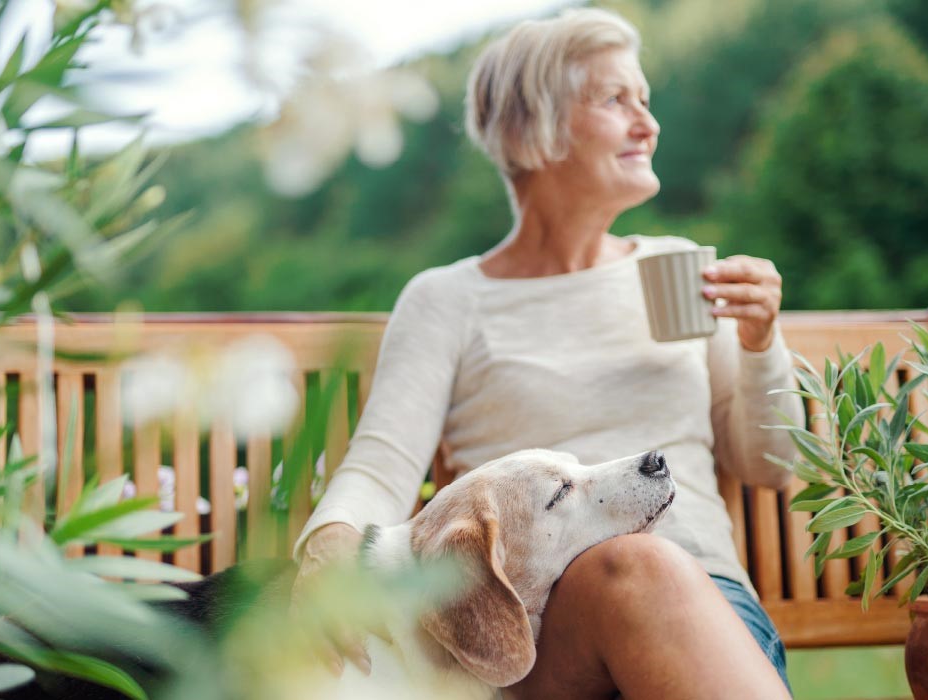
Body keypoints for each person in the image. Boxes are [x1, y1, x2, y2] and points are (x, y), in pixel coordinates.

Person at [291, 8, 803, 699]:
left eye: (645, 102)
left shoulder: (679, 267)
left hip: (706, 613)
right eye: (616, 99)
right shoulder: (448, 299)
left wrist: (760, 341)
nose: (648, 124)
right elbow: (382, 466)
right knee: (631, 567)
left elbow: (771, 465)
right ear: (533, 127)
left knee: (646, 568)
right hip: (524, 639)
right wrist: (326, 546)